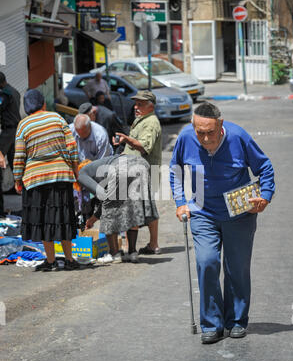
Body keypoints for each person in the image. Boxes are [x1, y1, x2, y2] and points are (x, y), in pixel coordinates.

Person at [170, 101, 275, 344]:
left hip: (239, 212)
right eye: (200, 132)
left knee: (236, 267)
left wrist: (265, 196)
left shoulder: (239, 137)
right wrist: (179, 201)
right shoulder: (186, 138)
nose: (205, 139)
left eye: (210, 132)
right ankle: (211, 324)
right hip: (202, 211)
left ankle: (237, 321)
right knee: (207, 262)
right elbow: (175, 170)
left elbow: (265, 167)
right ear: (192, 126)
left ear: (221, 125)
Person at [13, 89, 80, 272]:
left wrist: (17, 179)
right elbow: (72, 146)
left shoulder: (23, 125)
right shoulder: (57, 118)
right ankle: (69, 259)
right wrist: (75, 171)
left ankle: (50, 261)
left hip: (35, 179)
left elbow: (19, 156)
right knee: (64, 218)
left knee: (44, 220)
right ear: (43, 103)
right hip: (61, 175)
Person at [77, 155, 159, 263]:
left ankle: (114, 254)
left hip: (120, 168)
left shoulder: (81, 174)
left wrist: (93, 218)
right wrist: (93, 219)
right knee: (133, 208)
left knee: (110, 210)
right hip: (141, 164)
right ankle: (132, 253)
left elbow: (104, 199)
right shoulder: (98, 166)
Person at [114, 90, 162, 255]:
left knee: (136, 209)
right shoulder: (142, 120)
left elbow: (144, 146)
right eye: (136, 103)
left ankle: (136, 246)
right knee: (146, 208)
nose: (136, 107)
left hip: (144, 172)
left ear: (151, 106)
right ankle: (151, 244)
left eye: (140, 104)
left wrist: (127, 139)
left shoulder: (151, 122)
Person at [0, 72, 21, 171]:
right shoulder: (15, 91)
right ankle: (19, 185)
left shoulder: (5, 94)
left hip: (8, 131)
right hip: (17, 130)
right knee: (14, 160)